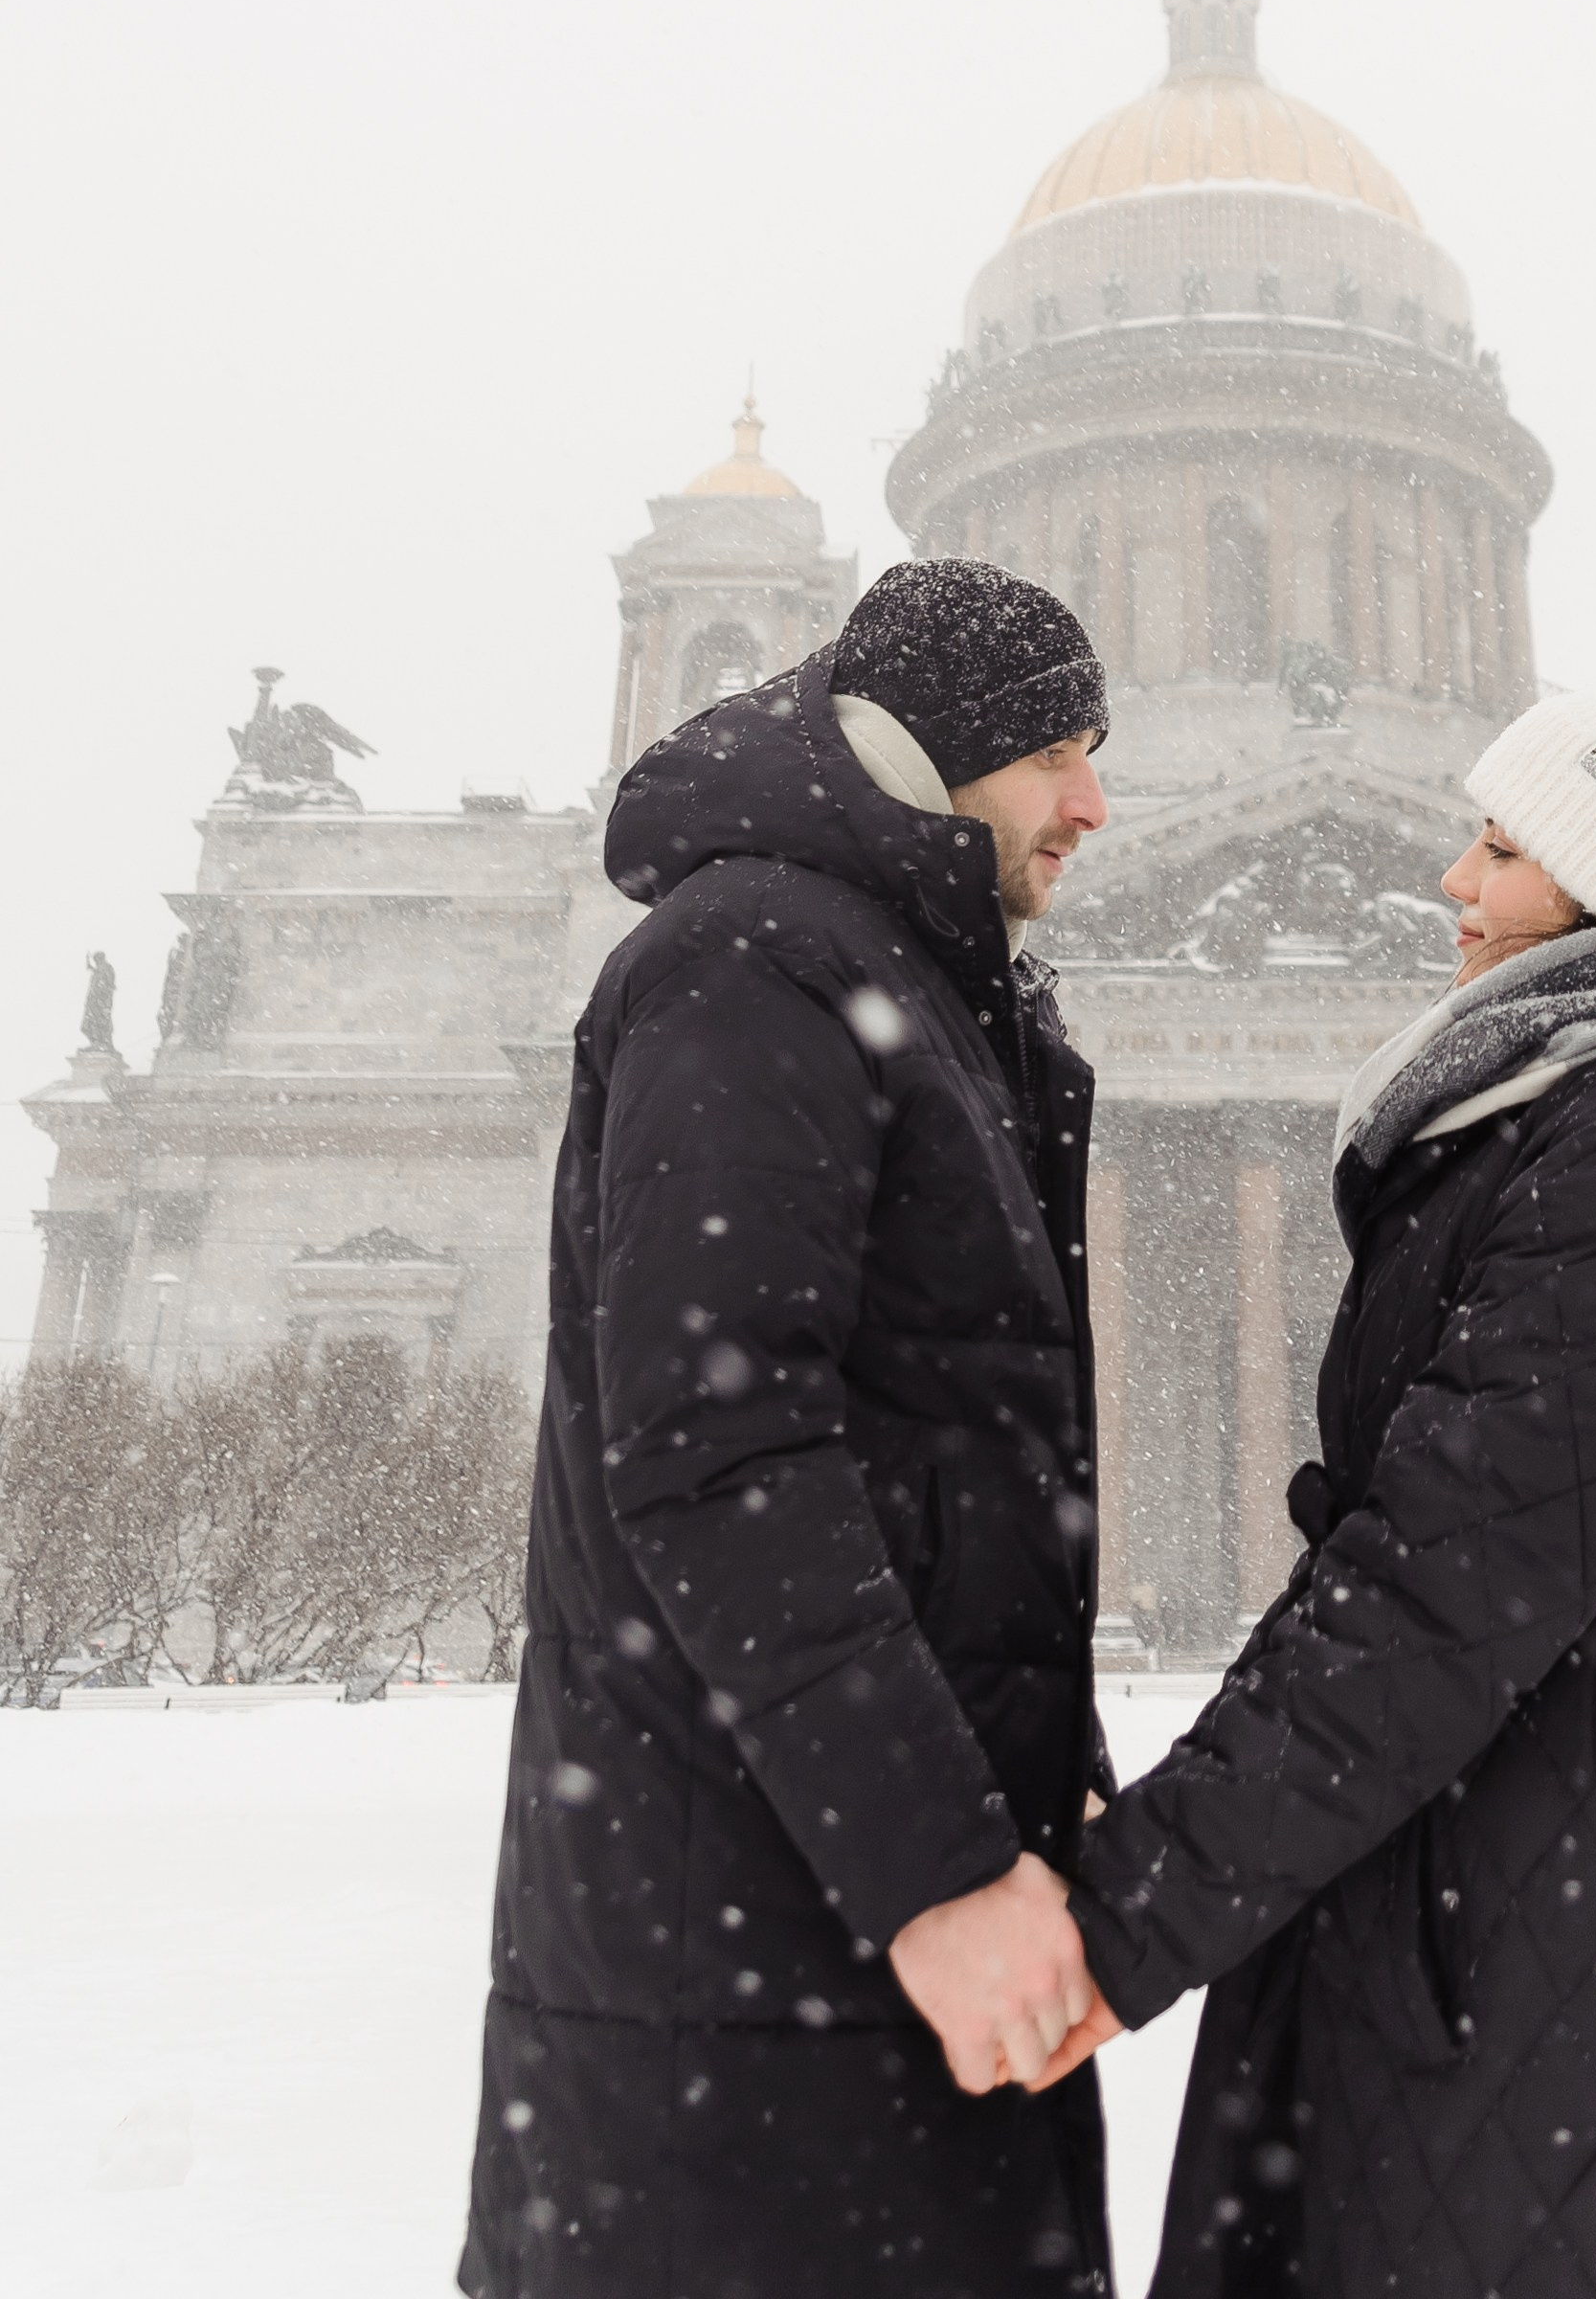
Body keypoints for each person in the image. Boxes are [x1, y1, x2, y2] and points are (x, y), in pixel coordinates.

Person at [1055, 667, 1596, 2299]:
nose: (1451, 881)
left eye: (1502, 846)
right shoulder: (1576, 1107)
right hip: (1551, 1862)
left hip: (1588, 1902)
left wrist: (1126, 1914)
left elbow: (1449, 1577)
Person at [461, 558, 1118, 2299]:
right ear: (946, 749)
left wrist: (1035, 1777)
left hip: (820, 1906)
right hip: (756, 1939)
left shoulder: (915, 974)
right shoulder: (759, 959)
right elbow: (721, 1451)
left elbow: (924, 1455)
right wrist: (943, 1867)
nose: (1095, 802)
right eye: (1059, 749)